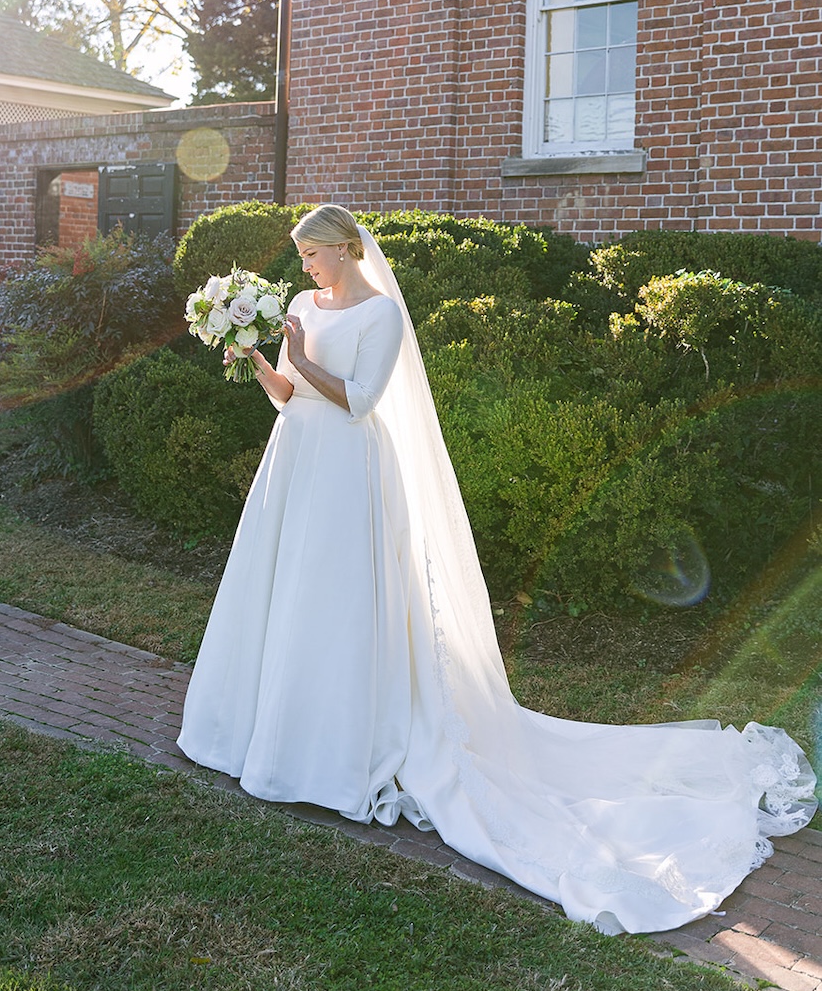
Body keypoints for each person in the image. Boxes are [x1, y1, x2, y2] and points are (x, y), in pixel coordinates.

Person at [178, 205, 816, 935]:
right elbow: (290, 396)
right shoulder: (297, 307)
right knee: (284, 595)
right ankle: (267, 733)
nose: (304, 271)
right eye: (301, 260)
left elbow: (357, 403)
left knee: (337, 600)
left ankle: (338, 749)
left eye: (312, 257)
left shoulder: (382, 316)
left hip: (349, 472)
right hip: (295, 461)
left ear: (345, 249)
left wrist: (304, 352)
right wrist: (261, 360)